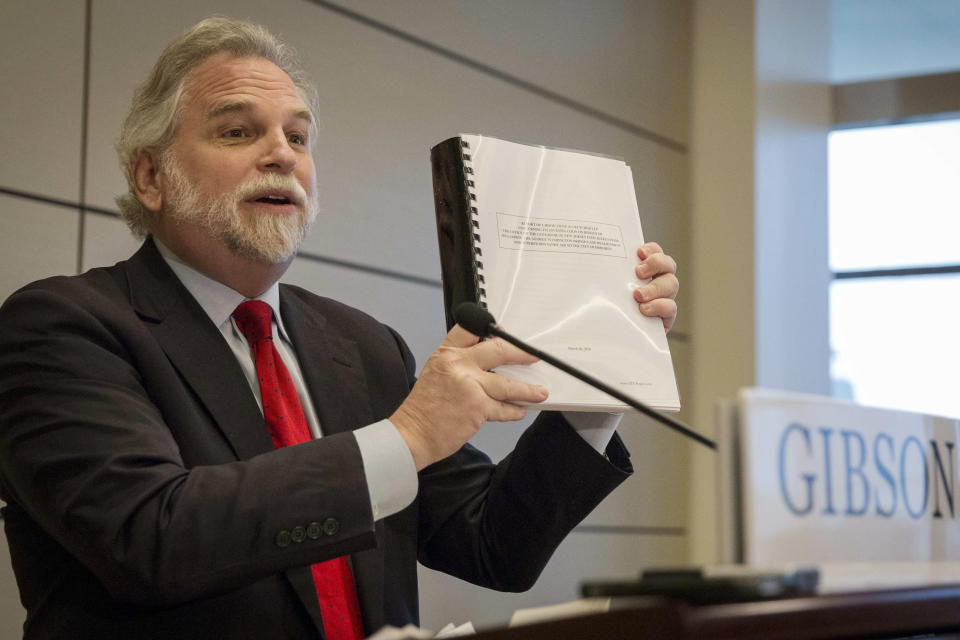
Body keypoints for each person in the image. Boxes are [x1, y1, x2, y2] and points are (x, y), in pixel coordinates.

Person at [0, 17, 680, 640]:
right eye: (239, 132)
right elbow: (152, 538)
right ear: (151, 176)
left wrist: (606, 368)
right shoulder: (61, 327)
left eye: (297, 137)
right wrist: (406, 438)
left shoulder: (361, 345)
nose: (282, 155)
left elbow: (492, 544)